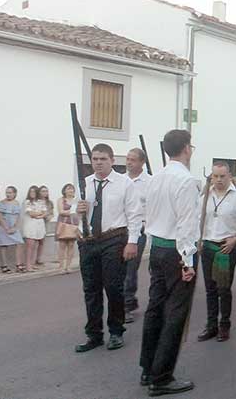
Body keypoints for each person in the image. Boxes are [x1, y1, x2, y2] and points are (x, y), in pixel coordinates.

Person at [140, 129, 199, 396]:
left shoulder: (156, 177)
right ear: (186, 148)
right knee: (175, 314)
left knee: (155, 308)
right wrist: (187, 260)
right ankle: (161, 376)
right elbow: (186, 223)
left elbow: (148, 215)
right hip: (176, 251)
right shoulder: (185, 180)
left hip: (158, 248)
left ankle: (148, 366)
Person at [74, 143, 142, 354]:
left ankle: (115, 331)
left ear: (112, 160)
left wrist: (132, 241)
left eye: (103, 159)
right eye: (95, 159)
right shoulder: (85, 183)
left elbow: (134, 214)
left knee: (113, 288)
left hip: (114, 239)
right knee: (91, 289)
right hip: (89, 241)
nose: (98, 163)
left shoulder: (124, 184)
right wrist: (79, 211)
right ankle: (94, 334)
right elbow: (78, 217)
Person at [198, 161, 236, 343]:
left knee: (223, 288)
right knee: (210, 289)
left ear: (229, 176)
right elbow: (199, 218)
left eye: (222, 176)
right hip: (208, 247)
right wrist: (200, 239)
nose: (218, 180)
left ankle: (224, 325)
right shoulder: (205, 196)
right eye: (215, 176)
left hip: (225, 249)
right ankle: (211, 325)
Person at [124, 148, 152, 324]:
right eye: (127, 159)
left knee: (130, 267)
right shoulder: (120, 180)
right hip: (120, 229)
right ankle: (128, 299)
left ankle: (126, 303)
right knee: (120, 268)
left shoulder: (150, 182)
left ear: (142, 162)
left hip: (139, 230)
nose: (128, 162)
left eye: (132, 160)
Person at [0, 186, 23, 273]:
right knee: (4, 245)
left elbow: (18, 216)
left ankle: (18, 264)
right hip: (3, 227)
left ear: (14, 193)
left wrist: (15, 227)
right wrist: (6, 228)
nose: (8, 194)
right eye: (7, 192)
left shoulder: (17, 203)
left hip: (13, 228)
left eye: (10, 192)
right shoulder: (1, 203)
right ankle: (4, 266)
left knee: (19, 243)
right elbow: (0, 217)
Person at [55, 184, 79, 274]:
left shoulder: (75, 201)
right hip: (63, 223)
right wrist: (72, 211)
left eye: (72, 189)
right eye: (68, 189)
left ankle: (68, 265)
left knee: (71, 244)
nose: (70, 191)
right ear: (64, 190)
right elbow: (61, 211)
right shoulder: (61, 200)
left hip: (74, 223)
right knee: (62, 245)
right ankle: (61, 266)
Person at [21, 185, 46, 272]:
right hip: (30, 225)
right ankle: (28, 265)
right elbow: (31, 214)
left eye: (34, 192)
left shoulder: (41, 202)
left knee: (35, 244)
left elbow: (44, 213)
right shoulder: (27, 202)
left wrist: (39, 214)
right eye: (31, 191)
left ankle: (32, 263)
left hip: (39, 225)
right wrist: (39, 213)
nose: (32, 193)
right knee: (29, 246)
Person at [34, 185, 53, 266]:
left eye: (46, 191)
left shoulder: (49, 202)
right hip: (37, 222)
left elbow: (52, 212)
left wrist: (49, 216)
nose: (45, 193)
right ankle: (33, 259)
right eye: (43, 191)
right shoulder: (36, 201)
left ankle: (39, 258)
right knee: (35, 241)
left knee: (42, 241)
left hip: (46, 223)